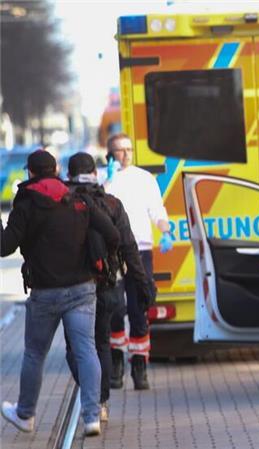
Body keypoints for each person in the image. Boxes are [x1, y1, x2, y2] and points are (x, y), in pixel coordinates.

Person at [1, 150, 119, 437]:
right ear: (56, 170)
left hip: (45, 293)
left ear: (29, 173)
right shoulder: (79, 199)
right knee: (86, 350)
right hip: (82, 289)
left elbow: (5, 247)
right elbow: (113, 235)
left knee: (34, 354)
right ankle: (92, 417)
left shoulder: (25, 204)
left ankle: (26, 414)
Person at [63, 152, 154, 423]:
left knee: (75, 347)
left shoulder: (62, 202)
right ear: (95, 172)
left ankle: (90, 391)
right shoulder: (112, 203)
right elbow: (129, 247)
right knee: (101, 343)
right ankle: (100, 401)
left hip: (72, 287)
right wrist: (143, 283)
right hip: (107, 286)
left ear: (69, 174)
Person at [104, 133, 173, 390]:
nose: (126, 154)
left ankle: (139, 366)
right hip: (114, 252)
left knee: (139, 308)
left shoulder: (144, 179)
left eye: (129, 149)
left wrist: (165, 231)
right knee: (115, 309)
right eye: (120, 150)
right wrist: (108, 180)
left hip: (141, 250)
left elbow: (157, 209)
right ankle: (116, 363)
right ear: (110, 154)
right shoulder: (105, 178)